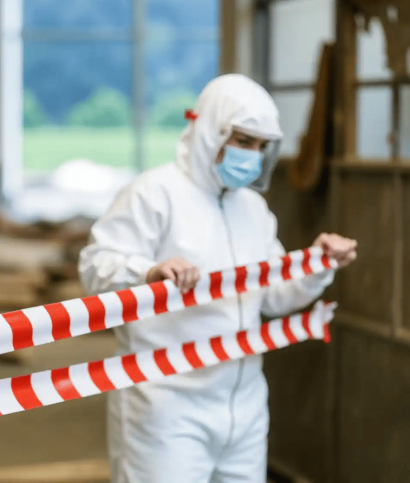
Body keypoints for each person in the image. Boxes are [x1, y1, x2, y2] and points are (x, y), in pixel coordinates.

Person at [79, 74, 357, 483]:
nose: (253, 155)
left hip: (243, 404)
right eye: (244, 141)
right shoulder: (153, 194)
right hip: (167, 405)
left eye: (262, 147)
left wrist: (317, 266)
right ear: (210, 130)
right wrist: (147, 273)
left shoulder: (254, 210)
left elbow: (274, 297)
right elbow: (95, 266)